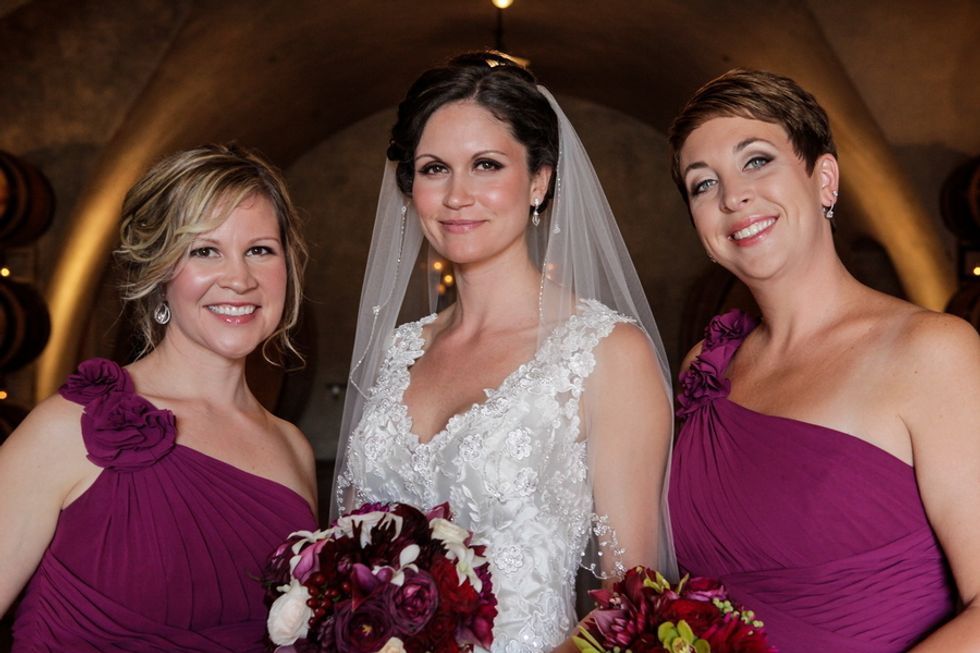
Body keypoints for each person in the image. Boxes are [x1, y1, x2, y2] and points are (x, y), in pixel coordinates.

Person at [332, 52, 675, 652]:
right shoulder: (396, 351)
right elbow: (347, 562)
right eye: (435, 169)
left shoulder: (606, 353)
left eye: (486, 165)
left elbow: (630, 602)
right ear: (411, 188)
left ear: (539, 180)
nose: (457, 195)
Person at [666, 69, 980, 652]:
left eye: (757, 161)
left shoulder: (933, 352)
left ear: (825, 179)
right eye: (703, 184)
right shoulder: (704, 366)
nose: (732, 196)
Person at [0, 143, 318, 652]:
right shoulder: (67, 428)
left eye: (260, 250)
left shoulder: (293, 450)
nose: (239, 279)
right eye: (204, 250)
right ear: (159, 271)